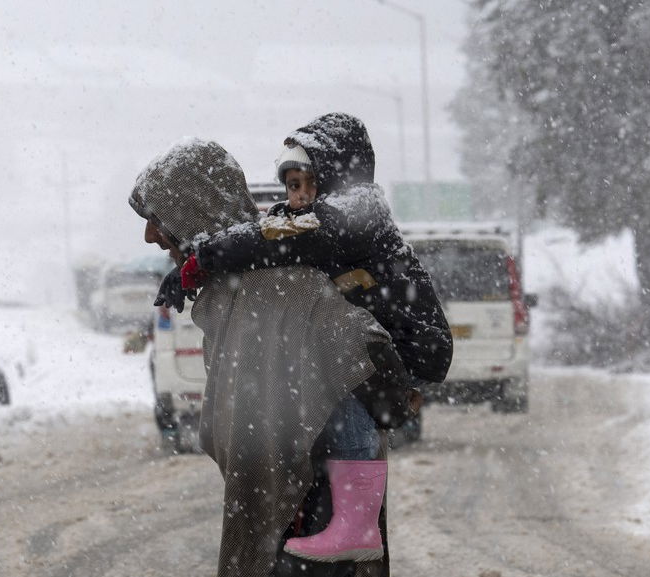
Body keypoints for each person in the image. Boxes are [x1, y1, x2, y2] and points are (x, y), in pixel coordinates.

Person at [161, 113, 452, 561]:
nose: (297, 196)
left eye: (308, 183)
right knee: (344, 373)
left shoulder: (357, 212)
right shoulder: (317, 218)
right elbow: (270, 231)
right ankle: (348, 520)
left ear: (333, 177)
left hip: (414, 346)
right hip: (380, 339)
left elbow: (273, 238)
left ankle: (356, 525)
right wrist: (196, 267)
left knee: (349, 388)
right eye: (292, 186)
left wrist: (202, 259)